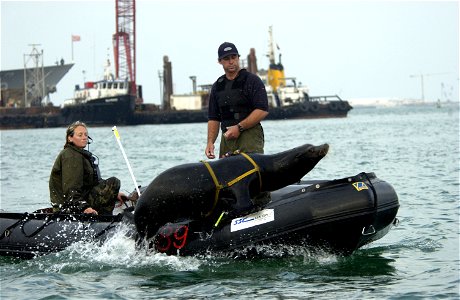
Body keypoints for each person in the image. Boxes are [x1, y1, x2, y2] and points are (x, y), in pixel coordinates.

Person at [205, 42, 269, 159]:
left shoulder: (252, 81)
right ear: (220, 61)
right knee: (226, 176)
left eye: (234, 57)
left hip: (250, 137)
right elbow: (214, 118)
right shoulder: (217, 86)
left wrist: (239, 128)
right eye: (226, 58)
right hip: (227, 139)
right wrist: (210, 142)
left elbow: (262, 109)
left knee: (251, 173)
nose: (231, 61)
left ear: (238, 58)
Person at [49, 121, 125, 215]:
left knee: (112, 185)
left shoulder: (80, 154)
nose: (84, 137)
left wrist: (113, 194)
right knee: (114, 181)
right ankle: (104, 218)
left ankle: (104, 216)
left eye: (86, 134)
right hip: (68, 207)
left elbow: (93, 183)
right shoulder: (71, 155)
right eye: (80, 135)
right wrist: (84, 208)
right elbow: (71, 189)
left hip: (80, 198)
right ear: (70, 138)